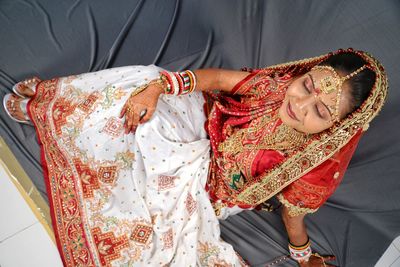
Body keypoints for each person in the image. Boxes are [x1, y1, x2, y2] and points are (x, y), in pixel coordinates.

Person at [3, 48, 387, 266]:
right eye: (305, 87)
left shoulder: (314, 162)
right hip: (203, 119)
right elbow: (220, 81)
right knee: (145, 82)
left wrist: (302, 254)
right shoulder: (276, 87)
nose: (299, 105)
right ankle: (53, 108)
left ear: (337, 127)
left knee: (166, 231)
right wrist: (160, 87)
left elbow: (294, 213)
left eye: (320, 112)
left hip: (210, 185)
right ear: (304, 74)